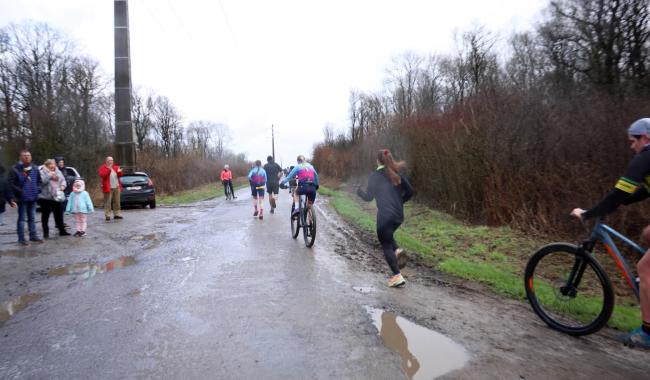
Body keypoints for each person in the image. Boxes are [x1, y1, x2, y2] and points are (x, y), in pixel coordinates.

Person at [570, 118, 650, 348]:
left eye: (632, 141)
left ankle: (646, 333)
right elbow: (644, 190)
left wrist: (588, 213)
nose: (631, 146)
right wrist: (623, 202)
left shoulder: (644, 157)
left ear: (645, 138)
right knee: (647, 236)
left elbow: (617, 194)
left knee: (645, 267)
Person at [357, 149, 414, 288]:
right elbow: (411, 192)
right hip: (398, 216)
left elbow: (369, 197)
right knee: (388, 236)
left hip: (385, 216)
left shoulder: (375, 176)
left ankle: (397, 275)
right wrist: (400, 202)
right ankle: (398, 251)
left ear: (378, 161)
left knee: (385, 244)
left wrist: (359, 192)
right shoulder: (397, 173)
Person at [8, 149, 43, 245]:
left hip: (33, 197)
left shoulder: (35, 168)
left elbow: (39, 181)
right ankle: (21, 239)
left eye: (28, 155)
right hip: (22, 198)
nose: (27, 157)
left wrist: (38, 189)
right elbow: (10, 184)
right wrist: (19, 191)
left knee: (32, 218)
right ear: (20, 157)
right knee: (22, 219)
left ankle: (33, 236)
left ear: (31, 157)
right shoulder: (14, 169)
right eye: (24, 155)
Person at [38, 159, 69, 238]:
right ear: (47, 165)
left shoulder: (58, 171)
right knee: (45, 215)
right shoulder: (42, 171)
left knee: (58, 214)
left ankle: (62, 231)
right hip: (45, 197)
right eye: (51, 164)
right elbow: (42, 181)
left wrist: (63, 186)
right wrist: (49, 175)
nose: (53, 166)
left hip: (56, 196)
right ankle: (46, 232)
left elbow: (63, 181)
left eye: (54, 164)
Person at [98, 156, 124, 221]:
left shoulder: (115, 167)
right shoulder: (102, 168)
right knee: (108, 202)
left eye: (112, 160)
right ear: (106, 161)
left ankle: (117, 214)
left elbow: (120, 175)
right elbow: (103, 176)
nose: (111, 161)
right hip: (108, 188)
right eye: (109, 160)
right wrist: (109, 169)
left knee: (117, 202)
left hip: (116, 187)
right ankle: (108, 215)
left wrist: (120, 172)